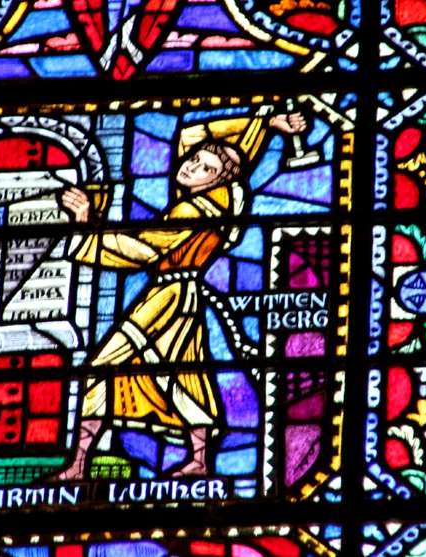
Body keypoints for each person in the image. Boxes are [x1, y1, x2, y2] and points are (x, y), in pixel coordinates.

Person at [54, 111, 306, 480]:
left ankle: (79, 465)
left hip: (167, 298)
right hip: (177, 296)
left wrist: (87, 226)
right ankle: (198, 461)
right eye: (192, 160)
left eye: (202, 167)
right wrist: (265, 125)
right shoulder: (216, 197)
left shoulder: (194, 209)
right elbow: (199, 141)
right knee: (185, 376)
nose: (189, 165)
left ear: (218, 180)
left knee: (107, 369)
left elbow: (143, 248)